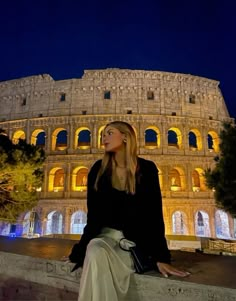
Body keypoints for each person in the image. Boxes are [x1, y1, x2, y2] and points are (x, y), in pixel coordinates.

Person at [68, 121, 190, 301]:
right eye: (103, 134)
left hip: (135, 245)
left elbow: (154, 216)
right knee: (94, 249)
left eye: (109, 133)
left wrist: (161, 257)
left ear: (125, 137)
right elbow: (93, 218)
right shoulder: (98, 170)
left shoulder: (147, 169)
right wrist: (78, 253)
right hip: (105, 239)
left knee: (96, 256)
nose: (104, 138)